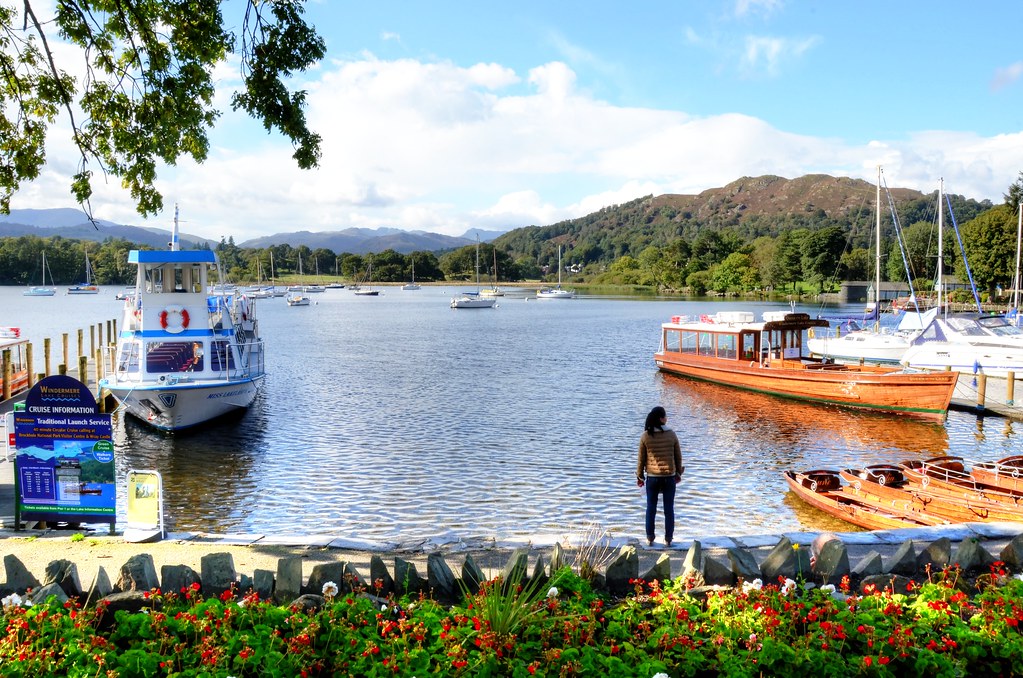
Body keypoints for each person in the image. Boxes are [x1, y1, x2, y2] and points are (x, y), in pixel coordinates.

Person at [636, 406, 683, 547]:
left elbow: (641, 460)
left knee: (651, 508)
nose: (667, 418)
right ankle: (668, 539)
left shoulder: (645, 436)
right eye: (665, 416)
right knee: (669, 509)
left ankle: (650, 538)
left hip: (652, 477)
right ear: (661, 419)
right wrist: (678, 473)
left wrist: (640, 477)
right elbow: (678, 457)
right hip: (669, 477)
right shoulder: (672, 434)